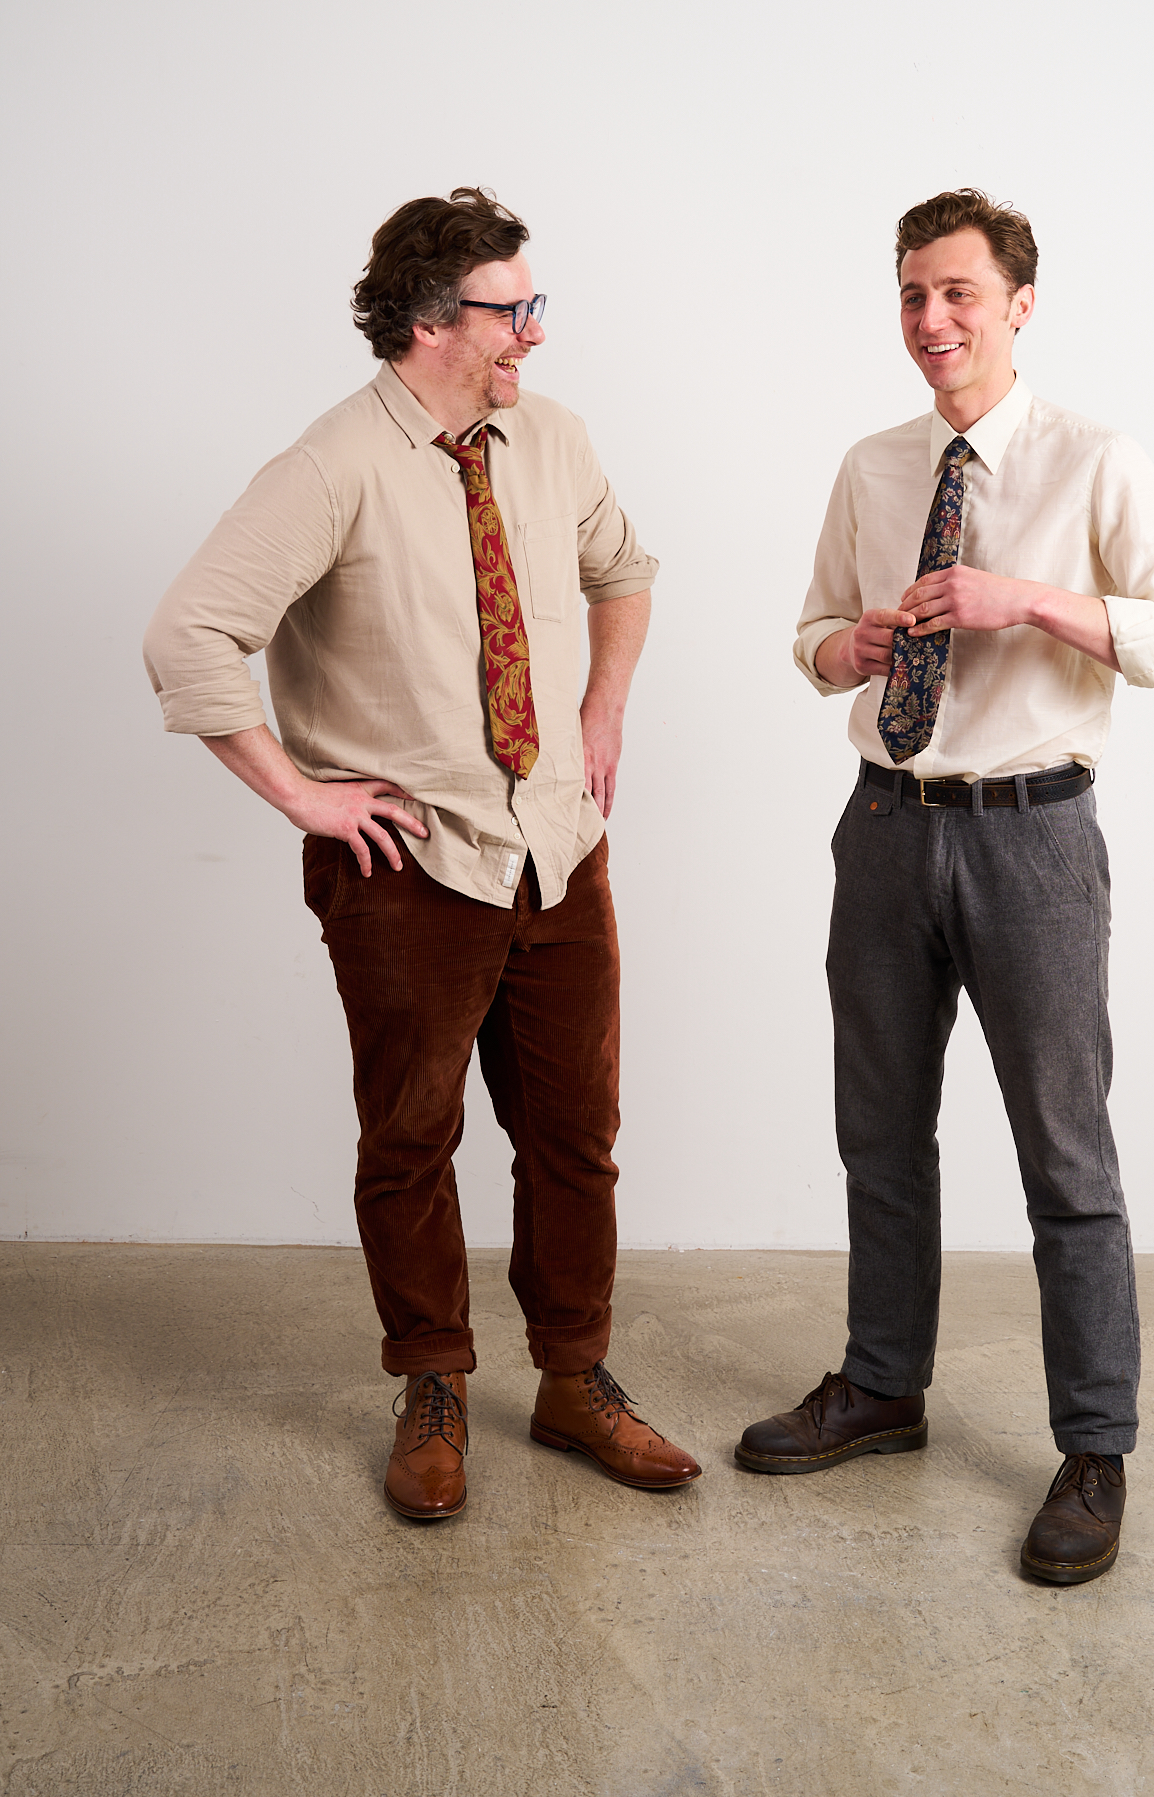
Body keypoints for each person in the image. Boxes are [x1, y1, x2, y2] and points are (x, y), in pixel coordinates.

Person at [144, 187, 700, 1519]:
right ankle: (433, 1385)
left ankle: (574, 1379)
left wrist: (601, 713)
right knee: (410, 1137)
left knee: (575, 1134)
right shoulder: (330, 465)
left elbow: (624, 570)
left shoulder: (551, 438)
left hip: (557, 851)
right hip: (410, 865)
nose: (536, 333)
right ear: (433, 323)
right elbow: (187, 637)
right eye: (515, 310)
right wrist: (304, 798)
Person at [735, 188, 1154, 1582]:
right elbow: (810, 633)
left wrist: (1029, 601)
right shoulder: (872, 466)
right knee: (879, 1134)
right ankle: (881, 1383)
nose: (930, 319)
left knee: (1065, 1156)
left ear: (1019, 305)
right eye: (911, 294)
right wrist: (846, 649)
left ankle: (1094, 1448)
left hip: (1033, 840)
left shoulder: (1096, 461)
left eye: (956, 292)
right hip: (885, 827)